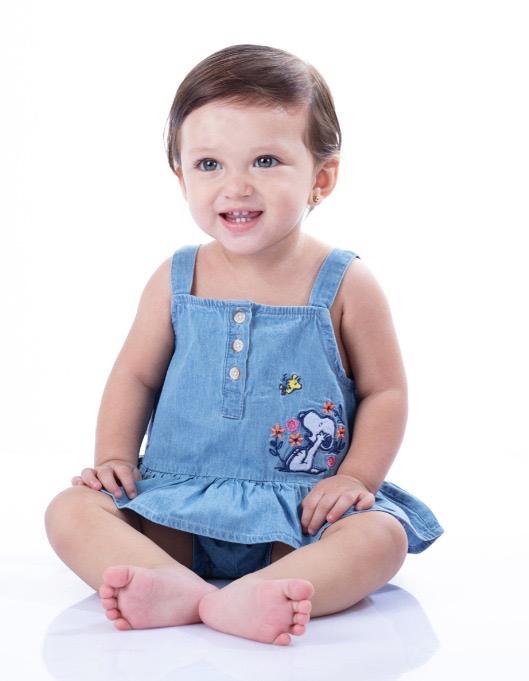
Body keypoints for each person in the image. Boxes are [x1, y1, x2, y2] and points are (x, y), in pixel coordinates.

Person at [44, 43, 444, 646]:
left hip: (301, 514)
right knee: (70, 510)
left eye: (265, 160)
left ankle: (272, 588)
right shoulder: (177, 278)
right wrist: (114, 460)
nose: (236, 186)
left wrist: (355, 478)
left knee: (380, 538)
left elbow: (385, 391)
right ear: (181, 176)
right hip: (175, 504)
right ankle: (169, 581)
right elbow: (135, 376)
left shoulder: (344, 283)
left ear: (321, 177)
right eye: (209, 164)